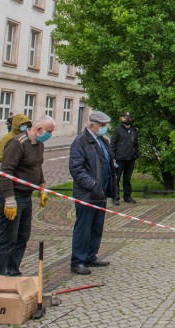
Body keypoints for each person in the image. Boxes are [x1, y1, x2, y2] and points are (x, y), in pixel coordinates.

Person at [0, 114, 54, 276]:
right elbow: (6, 173)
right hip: (12, 196)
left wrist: (42, 188)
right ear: (38, 129)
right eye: (48, 132)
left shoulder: (38, 144)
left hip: (26, 197)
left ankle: (12, 270)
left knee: (22, 237)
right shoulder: (17, 144)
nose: (49, 136)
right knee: (7, 239)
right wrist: (9, 200)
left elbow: (37, 167)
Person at [69, 110, 118, 275]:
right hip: (87, 193)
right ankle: (78, 260)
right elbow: (76, 169)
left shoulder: (102, 140)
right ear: (92, 125)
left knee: (96, 227)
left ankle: (91, 255)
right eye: (102, 125)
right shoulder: (81, 142)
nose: (105, 128)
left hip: (100, 193)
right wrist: (93, 185)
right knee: (84, 228)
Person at [0, 114, 32, 244]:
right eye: (22, 124)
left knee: (19, 230)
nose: (24, 127)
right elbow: (0, 157)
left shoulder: (26, 138)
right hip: (10, 182)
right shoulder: (8, 138)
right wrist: (14, 158)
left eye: (26, 124)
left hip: (21, 184)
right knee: (6, 216)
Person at [110, 111, 139, 205]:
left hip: (130, 159)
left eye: (129, 118)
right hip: (119, 158)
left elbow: (136, 144)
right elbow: (113, 143)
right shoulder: (118, 129)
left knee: (127, 179)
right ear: (122, 118)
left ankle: (127, 196)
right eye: (125, 118)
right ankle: (115, 197)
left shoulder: (134, 130)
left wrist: (136, 154)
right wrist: (112, 155)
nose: (127, 119)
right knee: (116, 179)